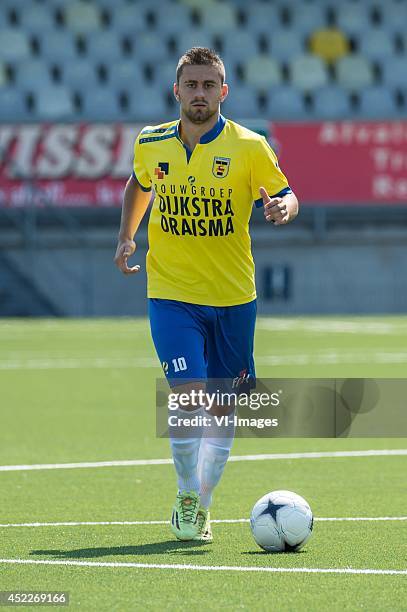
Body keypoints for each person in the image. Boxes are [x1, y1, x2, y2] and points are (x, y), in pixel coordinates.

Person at [114, 47, 298, 543]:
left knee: (222, 406)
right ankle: (186, 497)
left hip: (234, 297)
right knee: (187, 396)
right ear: (177, 91)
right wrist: (127, 234)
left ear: (223, 92)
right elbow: (139, 182)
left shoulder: (250, 146)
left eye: (208, 86)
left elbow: (286, 192)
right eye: (191, 85)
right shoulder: (151, 142)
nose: (200, 94)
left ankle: (206, 501)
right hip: (171, 292)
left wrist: (283, 206)